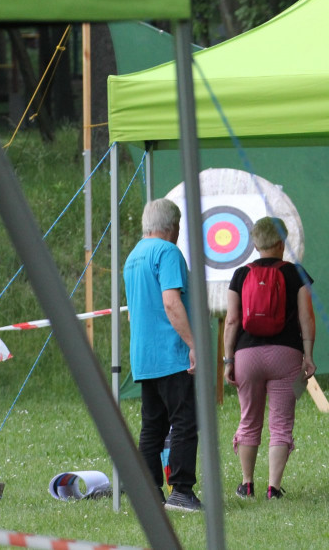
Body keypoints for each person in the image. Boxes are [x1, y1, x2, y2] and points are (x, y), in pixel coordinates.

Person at [223, 217, 316, 500]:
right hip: (285, 354)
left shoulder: (240, 274)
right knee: (281, 423)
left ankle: (247, 483)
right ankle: (273, 488)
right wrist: (308, 355)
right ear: (281, 242)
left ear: (255, 242)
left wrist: (229, 360)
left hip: (246, 355)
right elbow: (306, 317)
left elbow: (232, 320)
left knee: (249, 419)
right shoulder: (295, 273)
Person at [123, 198, 201, 513]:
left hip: (144, 356)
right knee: (184, 421)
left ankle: (149, 491)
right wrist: (193, 343)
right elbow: (171, 302)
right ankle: (181, 491)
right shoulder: (167, 252)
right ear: (174, 227)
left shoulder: (132, 257)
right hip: (171, 354)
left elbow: (132, 313)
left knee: (152, 426)